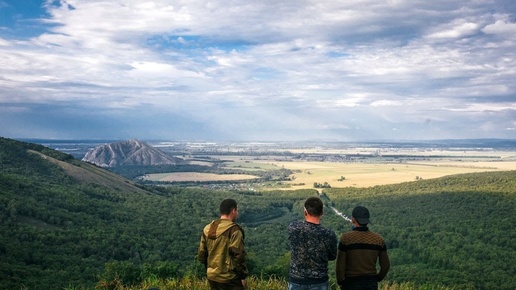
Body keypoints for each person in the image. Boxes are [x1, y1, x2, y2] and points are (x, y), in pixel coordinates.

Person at [288, 196, 338, 290]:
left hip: (297, 280)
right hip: (319, 281)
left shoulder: (293, 228)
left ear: (305, 211)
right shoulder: (329, 234)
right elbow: (332, 256)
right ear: (322, 212)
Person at [198, 199, 248, 290]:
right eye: (237, 211)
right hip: (229, 278)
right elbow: (239, 256)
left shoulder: (207, 229)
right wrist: (242, 276)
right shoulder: (234, 230)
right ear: (233, 211)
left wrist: (209, 270)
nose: (237, 213)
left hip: (212, 277)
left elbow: (202, 255)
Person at [336, 206, 390, 290]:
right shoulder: (378, 240)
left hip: (351, 282)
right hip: (370, 282)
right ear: (367, 221)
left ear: (353, 219)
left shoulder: (346, 239)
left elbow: (340, 265)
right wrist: (377, 278)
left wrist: (340, 281)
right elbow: (386, 265)